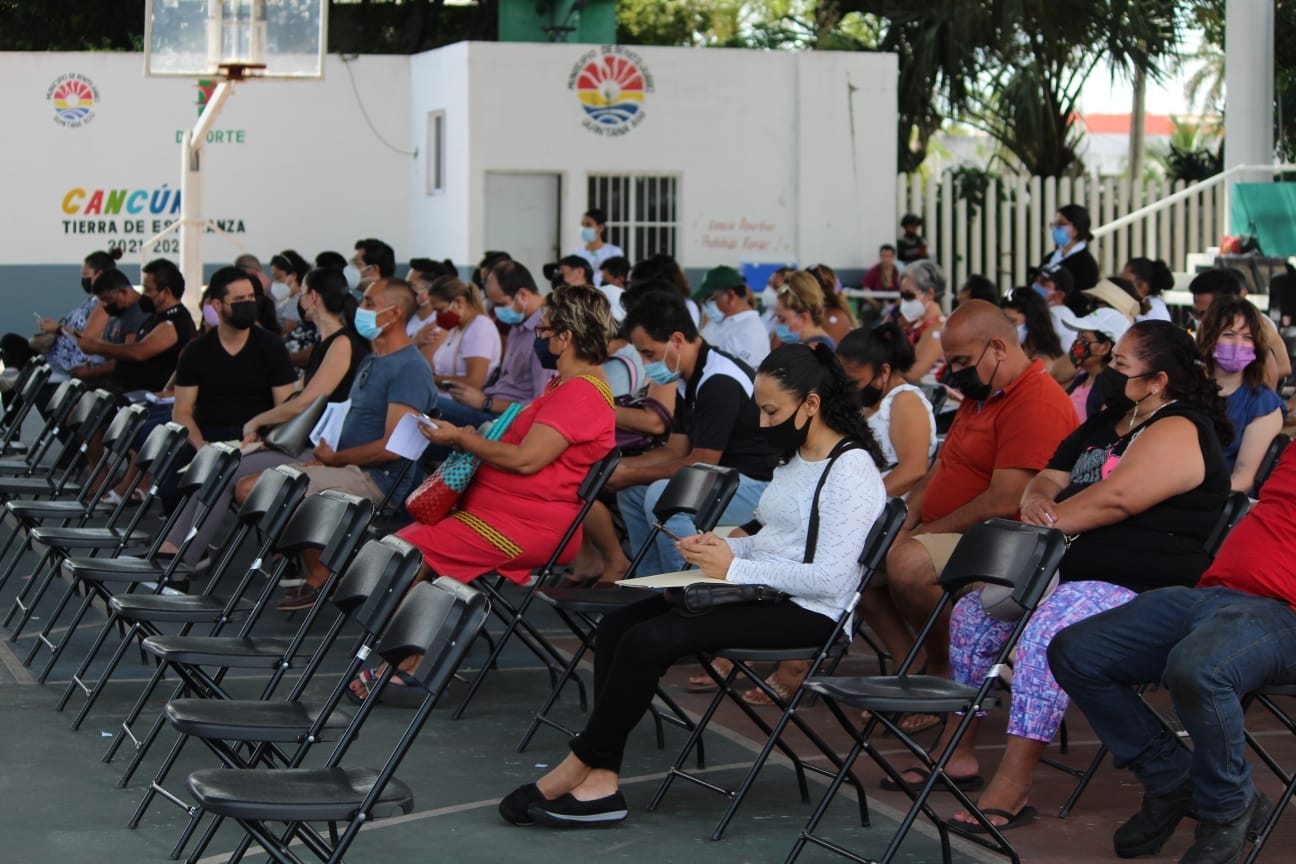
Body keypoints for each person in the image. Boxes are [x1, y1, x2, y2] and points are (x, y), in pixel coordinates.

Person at [500, 343, 887, 828]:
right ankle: (601, 781)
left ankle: (579, 766)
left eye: (771, 411)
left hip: (810, 611)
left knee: (648, 641)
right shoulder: (796, 456)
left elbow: (831, 577)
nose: (764, 424)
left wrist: (733, 567)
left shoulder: (850, 470)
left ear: (811, 404)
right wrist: (720, 549)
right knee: (620, 625)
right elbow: (772, 539)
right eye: (761, 410)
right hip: (764, 589)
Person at [901, 320, 1232, 834]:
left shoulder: (1180, 428)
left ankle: (1013, 784)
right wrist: (1035, 500)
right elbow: (1052, 473)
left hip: (1143, 587)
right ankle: (958, 749)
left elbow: (1116, 499)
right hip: (1061, 569)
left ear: (1158, 380)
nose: (1107, 371)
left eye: (1121, 365)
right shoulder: (1111, 420)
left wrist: (1043, 520)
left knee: (1044, 634)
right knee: (971, 618)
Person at [1050, 445, 1296, 864]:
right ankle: (1170, 778)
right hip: (1212, 594)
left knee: (1200, 668)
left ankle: (1227, 805)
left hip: (1283, 614)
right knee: (1076, 651)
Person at [880, 300, 1076, 729]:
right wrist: (906, 521)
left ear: (999, 349)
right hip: (959, 531)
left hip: (1004, 540)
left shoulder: (1035, 401)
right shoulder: (985, 391)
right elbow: (941, 468)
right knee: (870, 552)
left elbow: (1007, 499)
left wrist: (923, 534)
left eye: (963, 361)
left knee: (907, 563)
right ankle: (909, 662)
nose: (955, 373)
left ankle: (948, 673)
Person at [391, 285, 617, 595]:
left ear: (566, 337)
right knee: (401, 554)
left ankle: (394, 637)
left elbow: (526, 460)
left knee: (404, 555)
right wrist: (473, 438)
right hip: (502, 515)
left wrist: (461, 437)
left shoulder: (580, 393)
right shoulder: (565, 385)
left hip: (523, 526)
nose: (538, 337)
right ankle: (401, 637)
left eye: (543, 330)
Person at [161, 266, 370, 564]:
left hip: (319, 450)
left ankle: (182, 558)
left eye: (300, 294)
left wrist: (257, 422)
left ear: (312, 298)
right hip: (300, 443)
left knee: (225, 468)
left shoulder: (341, 343)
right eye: (240, 298)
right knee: (218, 466)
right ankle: (177, 552)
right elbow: (300, 398)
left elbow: (305, 402)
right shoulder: (328, 343)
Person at [257, 276, 438, 610]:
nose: (361, 309)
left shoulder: (410, 368)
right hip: (350, 466)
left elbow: (391, 449)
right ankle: (326, 568)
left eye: (369, 303)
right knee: (260, 487)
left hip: (378, 481)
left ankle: (323, 576)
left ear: (394, 313)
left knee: (277, 491)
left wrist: (336, 460)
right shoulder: (373, 359)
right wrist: (327, 460)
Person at [608, 291, 777, 575]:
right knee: (632, 493)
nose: (646, 363)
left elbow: (701, 462)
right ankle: (648, 580)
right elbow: (674, 450)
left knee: (664, 495)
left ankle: (684, 583)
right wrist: (620, 470)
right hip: (722, 479)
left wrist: (631, 472)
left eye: (648, 353)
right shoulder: (688, 375)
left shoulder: (718, 380)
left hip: (755, 486)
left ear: (676, 340)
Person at [838, 321, 939, 688]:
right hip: (875, 510)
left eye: (854, 378)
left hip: (897, 512)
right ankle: (909, 657)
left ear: (882, 371)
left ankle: (911, 659)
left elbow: (913, 470)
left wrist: (859, 501)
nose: (849, 387)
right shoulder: (873, 402)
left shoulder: (905, 400)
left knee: (844, 567)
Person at [172, 266, 298, 451]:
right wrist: (200, 444)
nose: (247, 304)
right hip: (207, 437)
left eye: (251, 297)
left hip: (256, 440)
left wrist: (261, 437)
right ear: (217, 305)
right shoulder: (196, 351)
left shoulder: (272, 347)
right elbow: (182, 411)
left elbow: (284, 407)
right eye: (239, 300)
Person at [437, 260, 553, 430]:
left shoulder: (546, 333)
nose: (497, 312)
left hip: (504, 417)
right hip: (488, 403)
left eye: (500, 304)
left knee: (426, 403)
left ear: (522, 295)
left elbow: (540, 403)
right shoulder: (519, 326)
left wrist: (486, 403)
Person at [1196, 296, 1285, 492]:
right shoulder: (1187, 389)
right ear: (1210, 339)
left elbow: (1244, 479)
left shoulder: (1263, 403)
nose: (1238, 344)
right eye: (1229, 334)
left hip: (1214, 502)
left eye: (1248, 337)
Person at [78, 259, 196, 398]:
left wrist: (96, 347)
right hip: (124, 387)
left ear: (166, 292)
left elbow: (138, 352)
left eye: (148, 290)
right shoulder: (155, 317)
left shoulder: (175, 321)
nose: (143, 294)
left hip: (144, 395)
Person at [1188, 268, 1290, 390]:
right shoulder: (1205, 328)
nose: (1201, 320)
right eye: (1196, 313)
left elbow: (1284, 368)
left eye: (1205, 313)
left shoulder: (1257, 325)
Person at [418, 275, 502, 391]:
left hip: (460, 403)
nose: (438, 316)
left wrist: (430, 379)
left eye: (440, 310)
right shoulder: (456, 328)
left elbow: (474, 382)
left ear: (459, 302)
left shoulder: (480, 327)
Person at [1056, 304, 1131, 423]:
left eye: (1084, 339)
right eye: (1078, 337)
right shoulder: (1081, 378)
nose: (1077, 344)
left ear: (1105, 347)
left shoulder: (1108, 392)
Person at [696, 265, 771, 369]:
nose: (706, 305)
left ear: (730, 296)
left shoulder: (750, 331)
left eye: (710, 299)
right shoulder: (718, 321)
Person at [895, 259, 947, 385]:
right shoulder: (913, 325)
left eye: (908, 295)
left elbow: (913, 373)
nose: (902, 301)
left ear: (929, 293)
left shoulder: (938, 329)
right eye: (901, 295)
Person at [1040, 204, 1099, 294]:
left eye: (1060, 224)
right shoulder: (1049, 258)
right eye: (1054, 224)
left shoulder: (1086, 265)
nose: (1055, 228)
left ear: (1076, 229)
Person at [773, 270, 836, 350]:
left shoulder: (815, 350)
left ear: (803, 318)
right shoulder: (809, 345)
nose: (776, 324)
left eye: (782, 319)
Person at [1001, 287, 1063, 365]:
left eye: (1012, 321)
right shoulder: (1007, 354)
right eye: (1002, 321)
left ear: (1032, 322)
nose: (1005, 327)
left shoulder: (1046, 362)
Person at [568, 208, 624, 287]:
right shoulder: (574, 253)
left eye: (588, 225)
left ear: (600, 227)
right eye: (582, 224)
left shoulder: (614, 252)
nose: (584, 228)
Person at [268, 250, 310, 334]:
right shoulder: (284, 301)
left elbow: (290, 328)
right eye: (273, 277)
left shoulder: (299, 300)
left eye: (278, 277)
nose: (275, 282)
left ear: (293, 275)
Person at [1123, 257, 1174, 322]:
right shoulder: (1156, 305)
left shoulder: (1144, 311)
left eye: (1124, 281)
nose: (1120, 286)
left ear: (1142, 285)